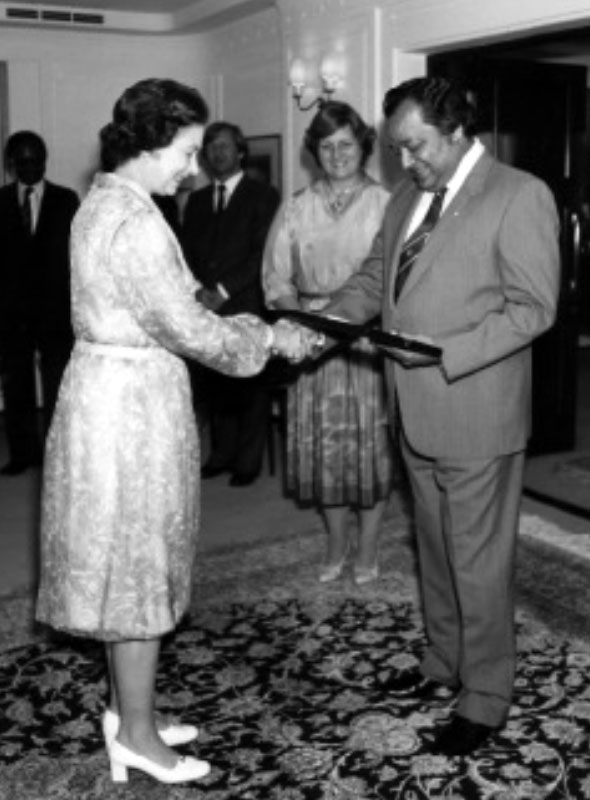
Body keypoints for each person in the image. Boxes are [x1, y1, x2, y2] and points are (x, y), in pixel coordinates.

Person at [35, 77, 312, 785]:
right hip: (129, 409)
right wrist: (269, 339)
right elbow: (191, 329)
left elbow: (178, 297)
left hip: (113, 394)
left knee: (127, 568)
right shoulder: (133, 220)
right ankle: (136, 737)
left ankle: (133, 713)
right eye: (186, 151)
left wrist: (244, 320)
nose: (193, 166)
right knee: (138, 571)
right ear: (151, 143)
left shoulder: (110, 201)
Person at [319, 77, 561, 755]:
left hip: (476, 407)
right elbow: (374, 281)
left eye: (416, 146)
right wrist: (327, 321)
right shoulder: (407, 196)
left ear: (457, 131)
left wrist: (442, 355)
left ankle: (485, 696)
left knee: (478, 560)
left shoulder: (519, 195)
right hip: (415, 410)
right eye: (397, 148)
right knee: (435, 548)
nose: (405, 162)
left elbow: (533, 308)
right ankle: (445, 661)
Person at [263, 101, 399, 585]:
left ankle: (367, 548)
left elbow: (399, 281)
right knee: (325, 454)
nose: (337, 154)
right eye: (327, 146)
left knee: (370, 449)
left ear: (363, 145)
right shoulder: (297, 206)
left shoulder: (388, 204)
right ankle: (337, 544)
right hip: (312, 348)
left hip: (365, 346)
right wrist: (295, 317)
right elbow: (276, 277)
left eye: (346, 143)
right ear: (314, 152)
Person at [181, 122, 281, 486]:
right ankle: (220, 455)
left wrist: (222, 290)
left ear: (240, 152)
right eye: (211, 148)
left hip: (246, 303)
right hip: (207, 308)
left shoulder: (263, 195)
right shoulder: (195, 201)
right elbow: (186, 254)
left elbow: (261, 255)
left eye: (225, 146)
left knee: (250, 385)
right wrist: (198, 292)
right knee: (216, 384)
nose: (218, 153)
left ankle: (247, 462)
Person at [0, 131, 79, 475]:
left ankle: (56, 454)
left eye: (36, 160)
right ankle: (22, 454)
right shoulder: (0, 201)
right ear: (11, 164)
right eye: (22, 161)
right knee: (16, 385)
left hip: (55, 310)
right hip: (12, 313)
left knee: (56, 384)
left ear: (45, 161)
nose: (30, 167)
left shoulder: (66, 200)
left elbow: (75, 257)